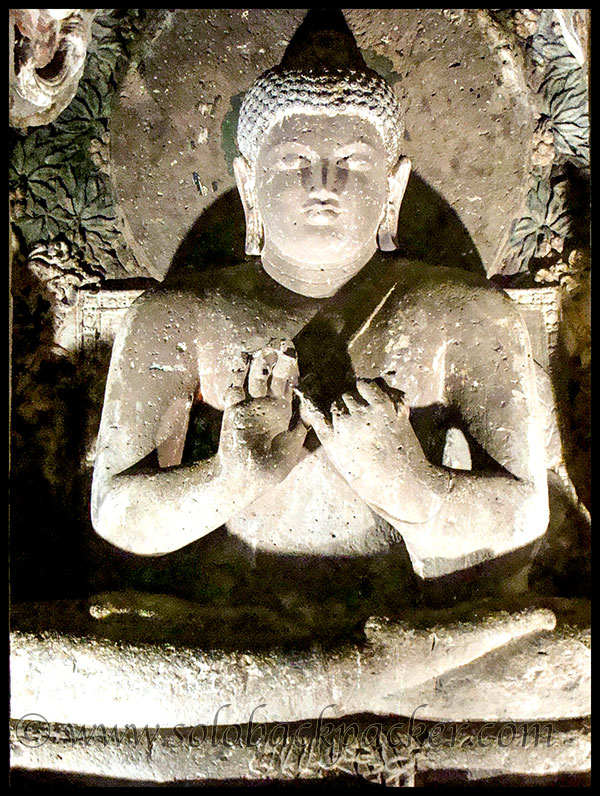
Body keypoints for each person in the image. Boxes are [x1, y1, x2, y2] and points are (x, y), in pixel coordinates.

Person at [91, 11, 548, 581]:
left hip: (407, 621)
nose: (323, 186)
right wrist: (230, 478)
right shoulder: (176, 317)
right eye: (294, 162)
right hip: (231, 626)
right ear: (249, 186)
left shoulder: (467, 315)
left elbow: (526, 513)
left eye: (352, 162)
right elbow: (116, 512)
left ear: (393, 189)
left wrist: (411, 486)